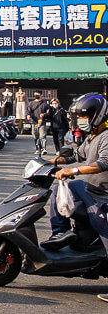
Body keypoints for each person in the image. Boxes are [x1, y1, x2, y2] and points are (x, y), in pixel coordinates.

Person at [43, 93, 108, 251]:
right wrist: (51, 162)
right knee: (59, 189)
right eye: (79, 116)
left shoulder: (106, 136)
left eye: (84, 115)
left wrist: (73, 170)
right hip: (89, 188)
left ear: (97, 115)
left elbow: (103, 163)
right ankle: (60, 233)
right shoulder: (93, 136)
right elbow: (76, 155)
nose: (81, 119)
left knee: (98, 223)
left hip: (102, 194)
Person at [27, 92, 49, 156]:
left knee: (42, 136)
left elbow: (48, 112)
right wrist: (28, 115)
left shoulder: (45, 103)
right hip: (34, 122)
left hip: (42, 122)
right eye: (35, 95)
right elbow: (28, 110)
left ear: (41, 95)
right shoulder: (31, 103)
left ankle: (44, 149)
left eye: (37, 94)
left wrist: (44, 115)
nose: (36, 96)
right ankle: (38, 149)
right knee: (35, 136)